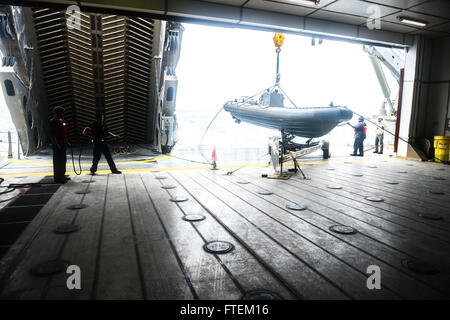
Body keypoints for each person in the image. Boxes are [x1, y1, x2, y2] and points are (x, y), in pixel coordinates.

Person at [49, 107, 71, 183]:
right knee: (58, 162)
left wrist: (67, 141)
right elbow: (52, 135)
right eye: (62, 112)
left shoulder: (62, 121)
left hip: (63, 142)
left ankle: (62, 175)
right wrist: (57, 145)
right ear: (58, 113)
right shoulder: (54, 122)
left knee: (63, 160)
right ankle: (58, 178)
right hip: (58, 143)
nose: (63, 114)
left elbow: (64, 133)